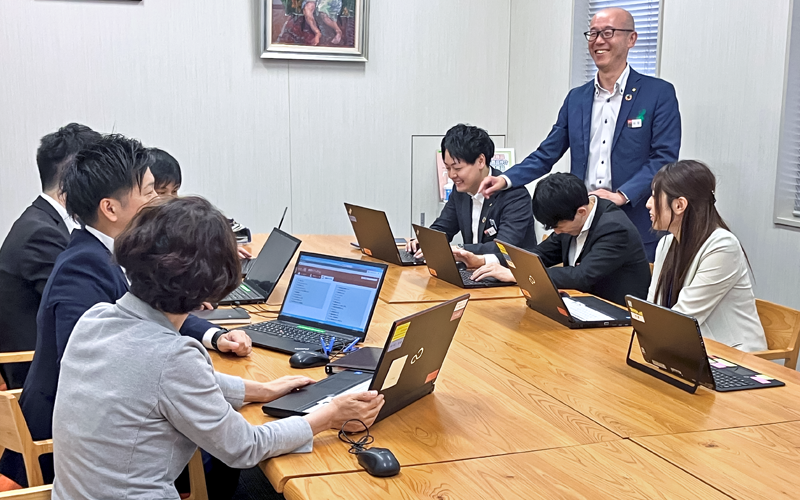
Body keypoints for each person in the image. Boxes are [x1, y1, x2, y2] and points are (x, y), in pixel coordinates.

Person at [50, 195, 384, 499]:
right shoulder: (174, 357)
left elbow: (162, 382)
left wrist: (261, 390)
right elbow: (244, 448)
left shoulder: (96, 318)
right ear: (213, 284)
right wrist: (328, 415)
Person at [0, 135, 253, 488]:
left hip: (101, 419)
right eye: (150, 192)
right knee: (228, 453)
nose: (160, 203)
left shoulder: (108, 251)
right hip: (74, 443)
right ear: (110, 208)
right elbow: (100, 363)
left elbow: (152, 307)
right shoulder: (81, 269)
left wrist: (214, 335)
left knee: (227, 431)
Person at [479, 7, 681, 262]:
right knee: (580, 293)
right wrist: (506, 179)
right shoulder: (577, 98)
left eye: (608, 33)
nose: (598, 41)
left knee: (628, 297)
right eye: (593, 33)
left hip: (635, 221)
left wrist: (622, 194)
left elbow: (664, 157)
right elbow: (547, 152)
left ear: (632, 39)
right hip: (583, 221)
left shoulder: (658, 94)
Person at [0, 124, 101, 390]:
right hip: (45, 381)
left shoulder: (48, 222)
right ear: (76, 178)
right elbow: (85, 313)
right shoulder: (40, 234)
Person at [456, 173, 650, 306]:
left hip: (618, 316)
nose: (556, 233)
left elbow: (581, 276)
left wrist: (518, 275)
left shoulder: (614, 228)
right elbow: (540, 254)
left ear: (581, 212)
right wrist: (484, 260)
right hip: (580, 306)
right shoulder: (570, 215)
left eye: (557, 227)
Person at [646, 160, 767, 352]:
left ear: (679, 205)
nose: (648, 204)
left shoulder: (723, 246)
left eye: (654, 196)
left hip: (734, 357)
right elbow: (653, 308)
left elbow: (684, 317)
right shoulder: (665, 244)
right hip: (689, 350)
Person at [406, 124, 536, 258]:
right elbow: (444, 227)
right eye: (447, 168)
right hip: (474, 272)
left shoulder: (514, 195)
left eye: (457, 168)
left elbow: (503, 247)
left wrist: (458, 249)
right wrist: (426, 241)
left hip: (509, 275)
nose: (451, 175)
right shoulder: (461, 191)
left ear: (480, 161)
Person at [148, 147, 252, 261]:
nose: (171, 198)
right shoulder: (145, 230)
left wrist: (223, 248)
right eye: (161, 192)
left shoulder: (179, 216)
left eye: (175, 191)